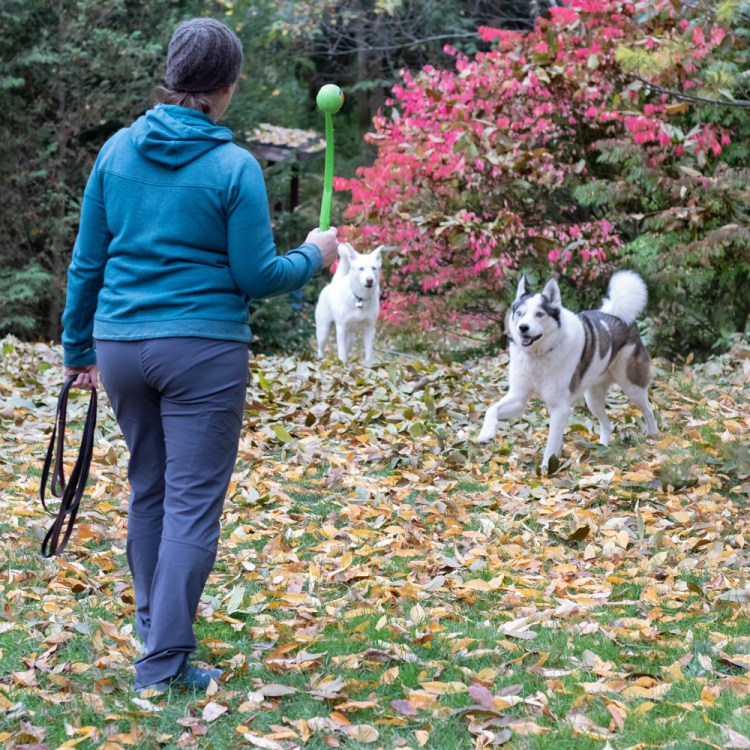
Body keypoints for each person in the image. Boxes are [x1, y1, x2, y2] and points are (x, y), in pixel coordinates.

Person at [60, 17, 338, 692]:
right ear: (228, 86)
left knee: (149, 490)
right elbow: (257, 276)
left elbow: (87, 262)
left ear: (171, 77)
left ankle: (157, 638)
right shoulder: (234, 167)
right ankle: (161, 665)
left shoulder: (116, 152)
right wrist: (314, 254)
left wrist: (77, 348)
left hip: (121, 347)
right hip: (202, 353)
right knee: (189, 505)